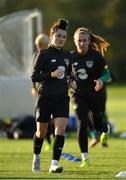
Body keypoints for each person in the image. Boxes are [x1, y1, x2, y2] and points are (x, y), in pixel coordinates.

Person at [31, 19, 72, 173]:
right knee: (41, 133)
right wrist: (51, 74)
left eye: (63, 36)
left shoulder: (68, 56)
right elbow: (34, 77)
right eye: (58, 36)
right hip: (45, 97)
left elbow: (70, 77)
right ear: (52, 36)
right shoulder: (43, 54)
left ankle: (54, 163)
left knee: (60, 130)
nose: (61, 39)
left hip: (62, 98)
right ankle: (37, 156)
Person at [70, 27, 111, 167]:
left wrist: (101, 80)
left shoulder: (96, 56)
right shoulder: (70, 57)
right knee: (81, 122)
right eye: (79, 41)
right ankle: (85, 158)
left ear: (89, 41)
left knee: (97, 123)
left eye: (84, 40)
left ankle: (105, 130)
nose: (81, 43)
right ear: (75, 41)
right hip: (78, 95)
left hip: (95, 94)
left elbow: (107, 74)